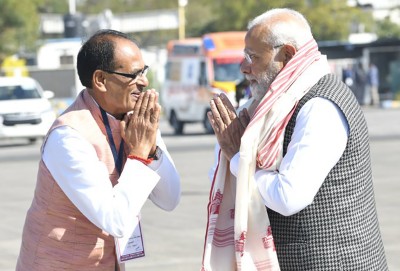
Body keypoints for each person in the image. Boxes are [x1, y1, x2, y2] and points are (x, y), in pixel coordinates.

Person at [202, 8, 387, 271]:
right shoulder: (269, 106)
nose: (244, 68)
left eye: (253, 57)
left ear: (287, 55)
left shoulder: (320, 106)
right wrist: (233, 153)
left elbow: (288, 197)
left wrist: (237, 158)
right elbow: (218, 175)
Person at [16, 29, 181, 271]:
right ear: (100, 80)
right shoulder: (68, 136)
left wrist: (150, 149)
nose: (144, 82)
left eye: (143, 72)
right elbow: (114, 220)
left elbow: (170, 199)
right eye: (133, 75)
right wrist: (137, 155)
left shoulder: (136, 122)